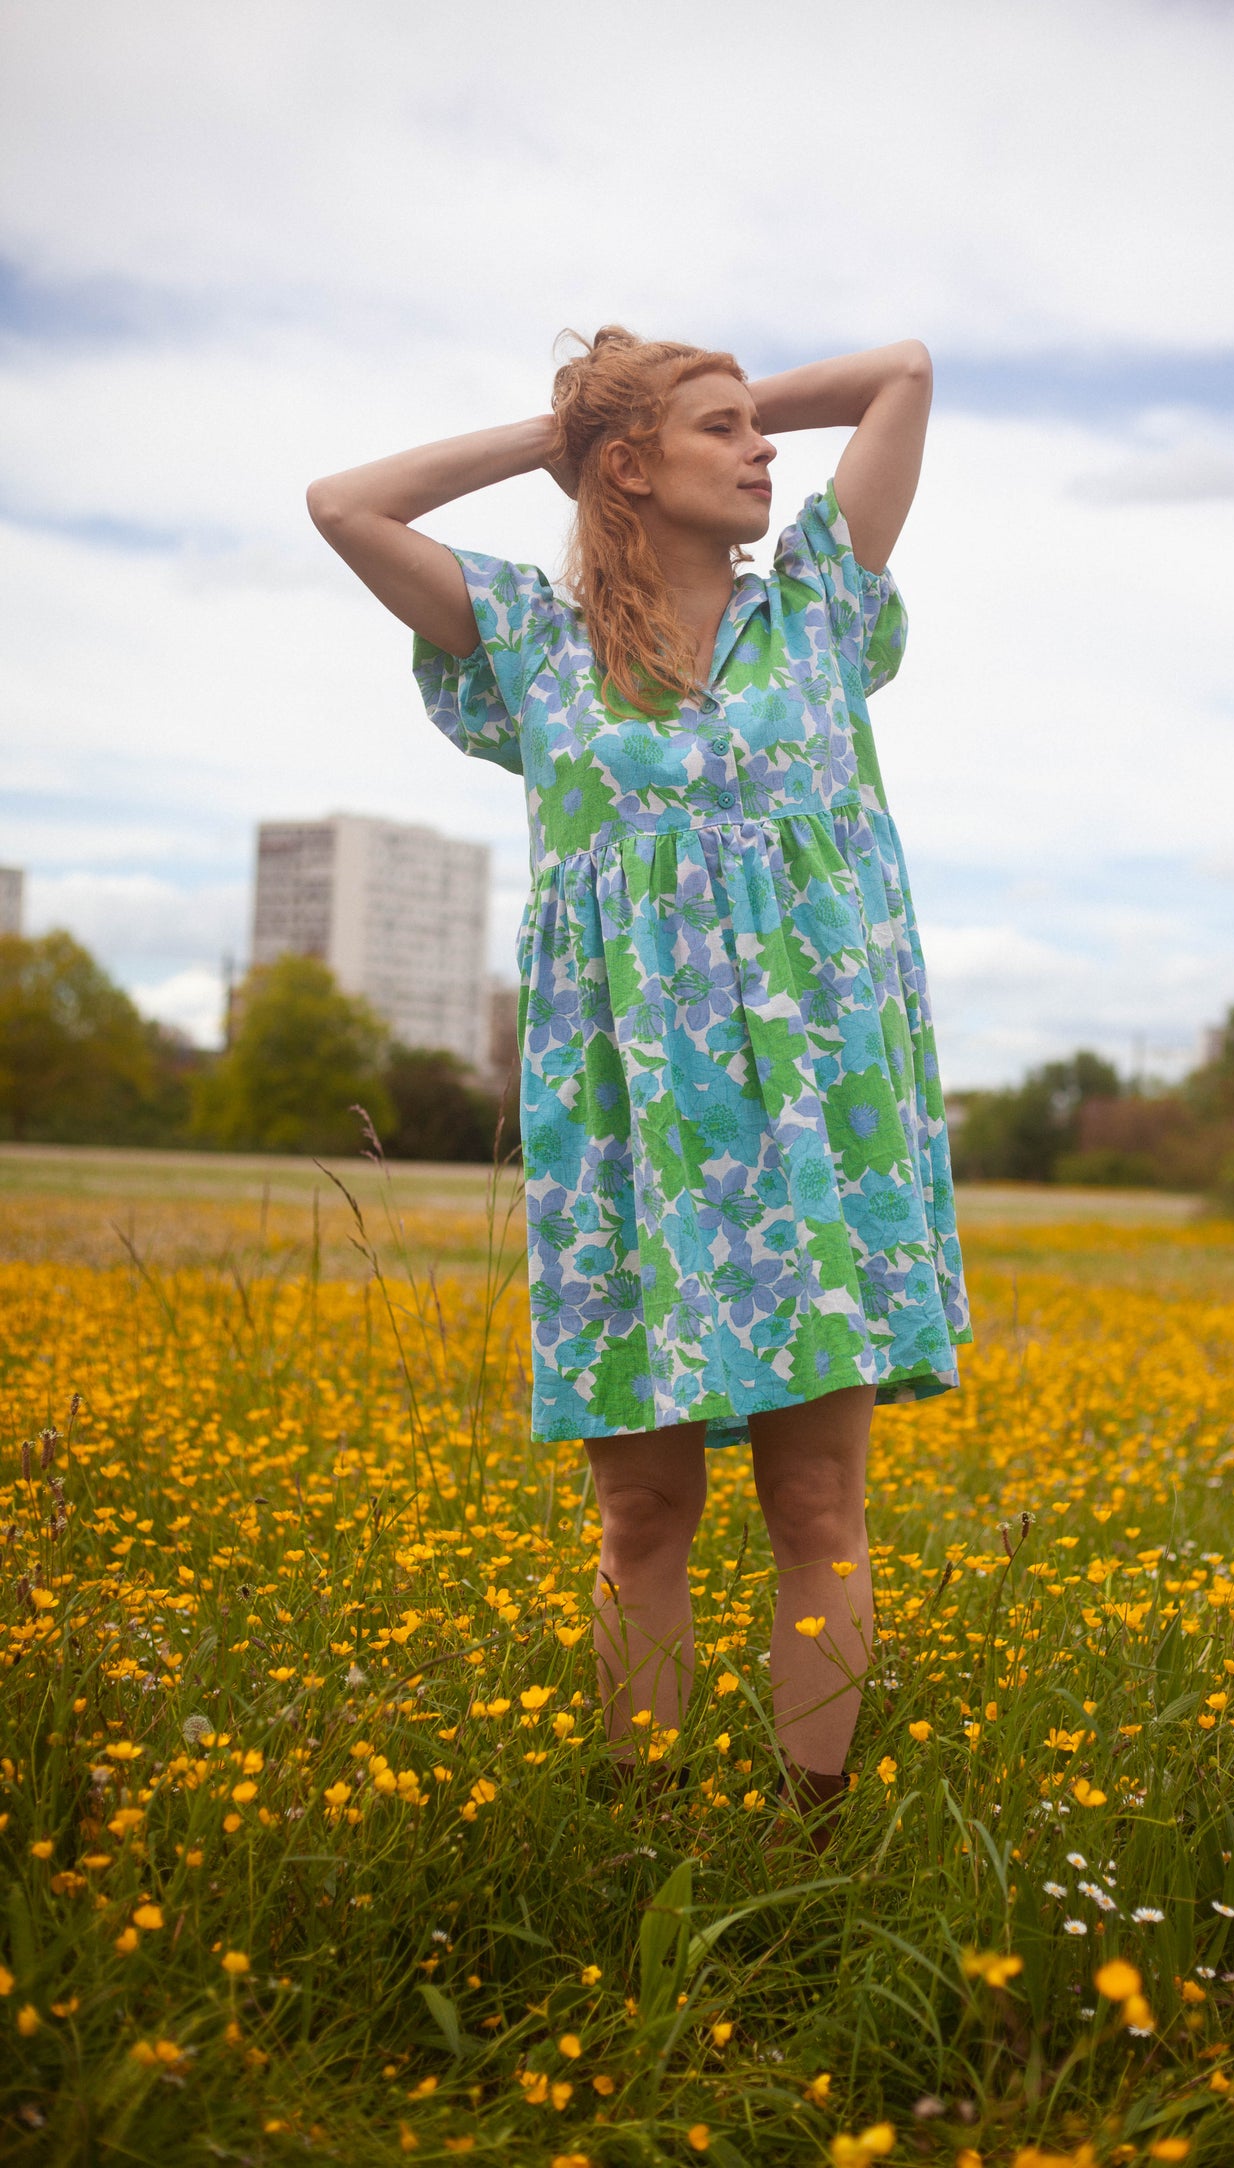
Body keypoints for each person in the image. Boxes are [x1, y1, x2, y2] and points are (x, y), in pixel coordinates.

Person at [306, 329, 971, 1837]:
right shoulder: (535, 649)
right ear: (625, 467)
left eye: (758, 426)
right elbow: (345, 503)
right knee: (641, 1514)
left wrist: (660, 410)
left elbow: (901, 373)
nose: (763, 451)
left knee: (815, 1508)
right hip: (635, 1134)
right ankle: (637, 1838)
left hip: (821, 1127)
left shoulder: (813, 606)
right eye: (721, 429)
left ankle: (809, 1840)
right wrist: (566, 431)